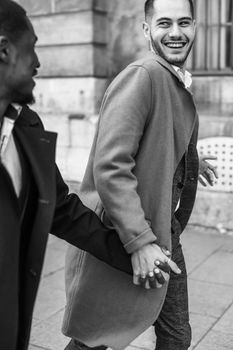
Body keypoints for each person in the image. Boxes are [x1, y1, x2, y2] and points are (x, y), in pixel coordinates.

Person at [0, 1, 169, 349]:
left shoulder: (26, 128)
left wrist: (135, 252)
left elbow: (64, 211)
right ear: (4, 50)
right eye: (31, 48)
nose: (38, 62)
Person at [63, 0, 218, 350]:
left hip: (164, 229)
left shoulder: (169, 77)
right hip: (130, 230)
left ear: (195, 27)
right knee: (96, 336)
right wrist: (140, 242)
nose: (176, 33)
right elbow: (112, 165)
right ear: (147, 29)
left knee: (175, 334)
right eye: (164, 23)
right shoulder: (143, 76)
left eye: (184, 23)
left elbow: (157, 139)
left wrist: (189, 161)